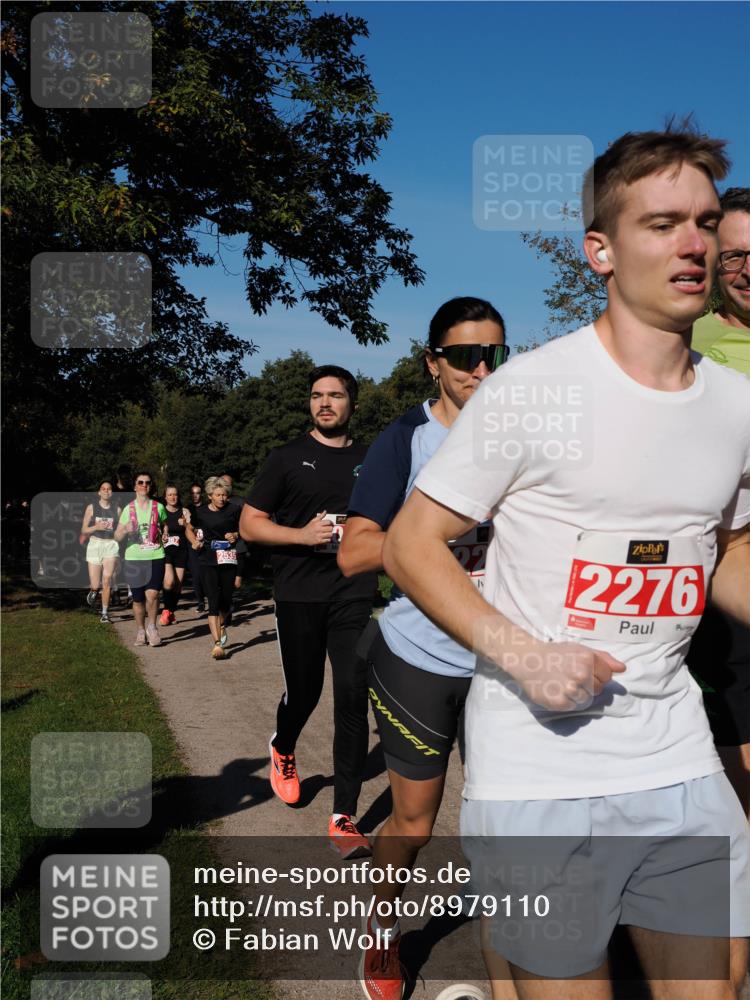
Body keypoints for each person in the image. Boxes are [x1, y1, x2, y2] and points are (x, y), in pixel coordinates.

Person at [381, 126, 750, 998]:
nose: (693, 244)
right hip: (541, 772)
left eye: (702, 222)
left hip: (678, 755)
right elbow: (408, 543)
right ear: (601, 250)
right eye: (661, 224)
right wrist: (526, 656)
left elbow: (725, 548)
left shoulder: (738, 405)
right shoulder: (529, 391)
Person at [336, 299, 514, 1000]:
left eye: (495, 354)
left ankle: (522, 954)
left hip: (503, 659)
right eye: (465, 355)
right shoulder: (406, 439)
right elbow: (354, 553)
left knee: (509, 815)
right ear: (432, 362)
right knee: (415, 819)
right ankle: (383, 932)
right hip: (422, 659)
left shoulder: (524, 434)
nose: (481, 368)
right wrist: (439, 533)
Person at [241, 365, 377, 858]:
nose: (325, 403)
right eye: (317, 395)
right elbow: (251, 525)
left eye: (336, 395)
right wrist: (300, 536)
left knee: (351, 694)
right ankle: (283, 746)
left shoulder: (373, 459)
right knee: (306, 692)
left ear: (352, 405)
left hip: (353, 592)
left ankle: (344, 815)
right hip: (298, 594)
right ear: (309, 404)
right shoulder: (287, 458)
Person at [185, 476, 241, 660]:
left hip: (227, 558)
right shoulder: (200, 512)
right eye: (218, 495)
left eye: (224, 495)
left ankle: (222, 624)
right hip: (207, 559)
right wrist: (194, 541)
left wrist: (234, 535)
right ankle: (217, 644)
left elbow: (244, 530)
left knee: (226, 600)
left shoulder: (234, 510)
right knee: (213, 601)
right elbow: (188, 528)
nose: (221, 499)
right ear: (210, 495)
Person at [114, 470, 167, 647]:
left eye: (148, 482)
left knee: (152, 594)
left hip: (156, 555)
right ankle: (140, 630)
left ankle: (152, 628)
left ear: (151, 486)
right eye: (141, 482)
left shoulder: (158, 507)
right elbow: (116, 537)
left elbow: (165, 525)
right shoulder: (128, 509)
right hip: (134, 557)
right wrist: (124, 529)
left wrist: (165, 534)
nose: (144, 485)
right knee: (138, 599)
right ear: (135, 486)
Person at [80, 478, 121, 623]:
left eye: (109, 488)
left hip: (110, 545)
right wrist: (96, 527)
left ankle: (104, 613)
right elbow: (84, 529)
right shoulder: (92, 507)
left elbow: (120, 531)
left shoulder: (117, 509)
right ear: (99, 492)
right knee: (96, 584)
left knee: (107, 579)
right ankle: (93, 591)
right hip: (95, 544)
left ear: (112, 493)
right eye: (103, 488)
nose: (106, 491)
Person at [159, 483, 190, 626]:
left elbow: (192, 530)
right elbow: (154, 530)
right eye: (170, 494)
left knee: (178, 584)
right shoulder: (160, 511)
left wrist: (185, 524)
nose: (173, 497)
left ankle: (171, 611)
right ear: (165, 496)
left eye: (175, 494)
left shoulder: (184, 512)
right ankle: (166, 610)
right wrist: (161, 535)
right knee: (169, 581)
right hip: (165, 551)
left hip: (181, 551)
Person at [219, 472, 247, 625]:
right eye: (221, 482)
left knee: (235, 583)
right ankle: (225, 608)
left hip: (239, 547)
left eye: (227, 483)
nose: (224, 486)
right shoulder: (215, 502)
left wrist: (237, 534)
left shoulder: (240, 503)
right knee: (222, 580)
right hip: (221, 548)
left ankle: (227, 605)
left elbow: (248, 525)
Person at [186, 481, 207, 613]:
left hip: (206, 544)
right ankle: (200, 602)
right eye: (193, 493)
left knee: (207, 574)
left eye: (198, 493)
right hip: (192, 545)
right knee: (196, 574)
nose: (195, 496)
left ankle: (212, 598)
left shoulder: (207, 508)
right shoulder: (187, 509)